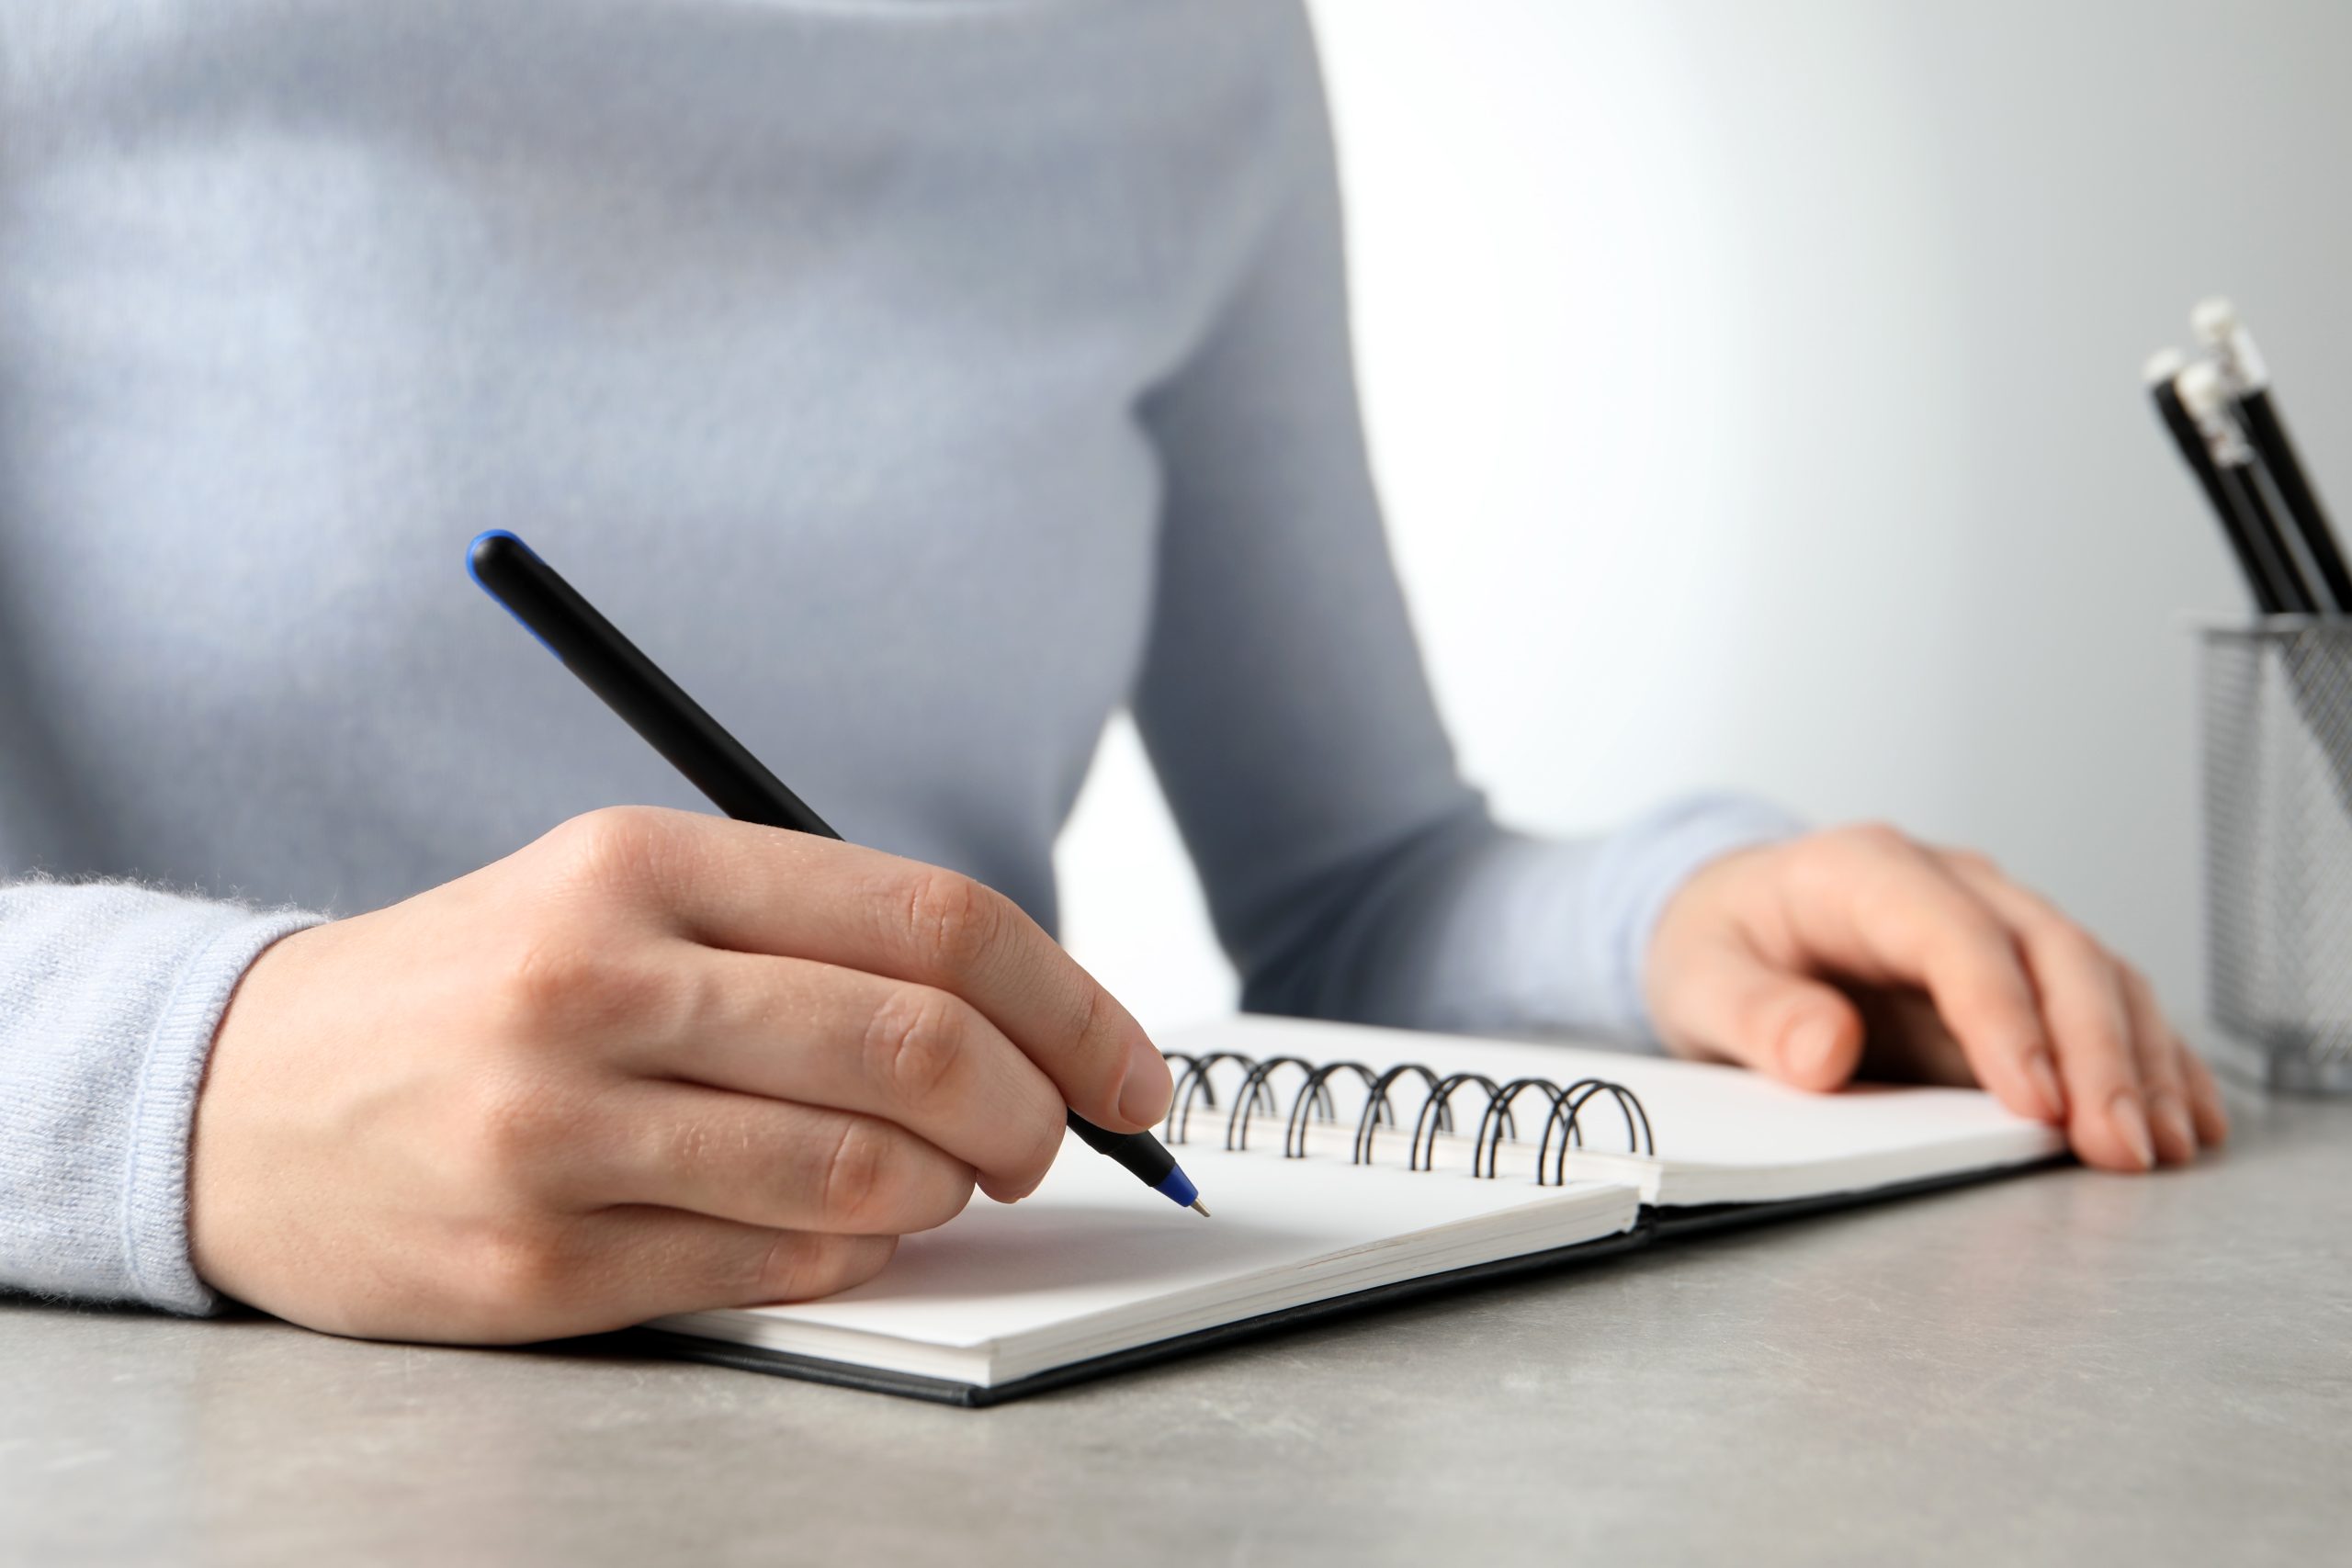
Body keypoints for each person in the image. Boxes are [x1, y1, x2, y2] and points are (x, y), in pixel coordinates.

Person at [0, 1, 2222, 1346]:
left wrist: (1670, 915)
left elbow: (1359, 873)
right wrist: (194, 1093)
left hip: (951, 1399)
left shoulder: (1172, 42)